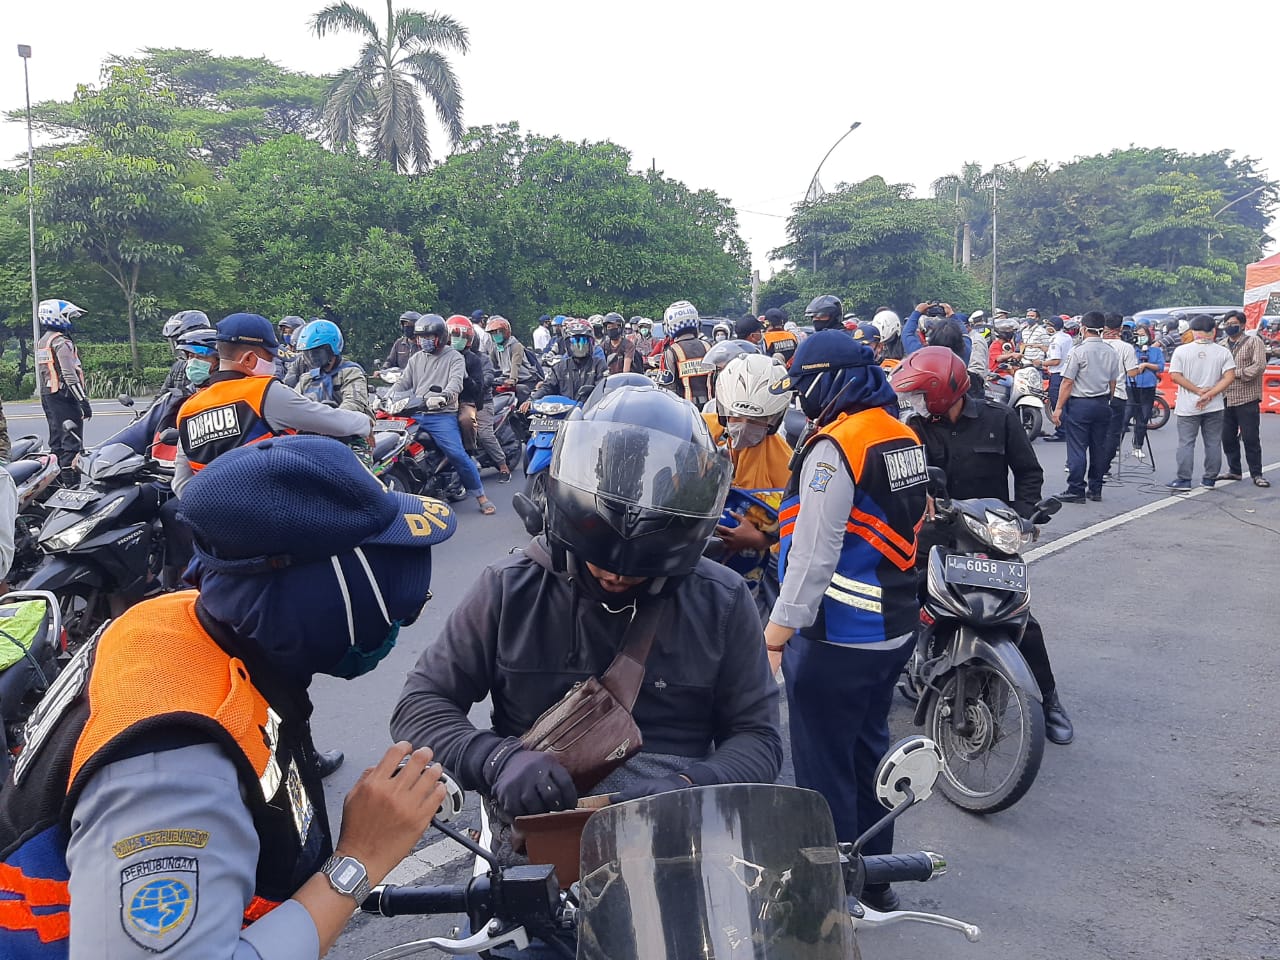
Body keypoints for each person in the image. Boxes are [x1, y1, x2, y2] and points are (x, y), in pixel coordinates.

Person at [0, 435, 455, 960]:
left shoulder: (174, 618)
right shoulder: (174, 777)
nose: (406, 615)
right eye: (403, 605)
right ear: (325, 599)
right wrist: (360, 858)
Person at [390, 383, 782, 883]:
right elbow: (420, 704)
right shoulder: (510, 588)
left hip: (676, 844)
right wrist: (496, 759)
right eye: (600, 564)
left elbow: (759, 738)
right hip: (535, 846)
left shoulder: (722, 600)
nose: (617, 577)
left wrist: (690, 782)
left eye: (640, 572)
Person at [763, 331, 928, 914]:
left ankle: (832, 890)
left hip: (838, 634)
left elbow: (813, 553)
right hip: (895, 626)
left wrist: (777, 632)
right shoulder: (900, 432)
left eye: (805, 384)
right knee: (869, 753)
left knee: (822, 766)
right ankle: (876, 876)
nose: (800, 398)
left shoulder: (836, 446)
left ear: (831, 380)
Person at [891, 347, 1073, 745]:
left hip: (989, 542)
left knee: (1021, 624)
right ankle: (903, 676)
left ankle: (1049, 699)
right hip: (933, 539)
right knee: (902, 604)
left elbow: (1028, 473)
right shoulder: (914, 427)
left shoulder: (1000, 418)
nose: (915, 404)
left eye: (922, 395)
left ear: (942, 391)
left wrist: (1022, 519)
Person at [173, 314, 374, 500]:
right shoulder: (264, 392)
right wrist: (366, 424)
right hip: (273, 514)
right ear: (250, 359)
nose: (273, 362)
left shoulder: (187, 409)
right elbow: (338, 422)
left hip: (217, 527)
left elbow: (181, 483)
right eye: (270, 357)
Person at [705, 353, 793, 620]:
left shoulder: (785, 463)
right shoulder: (699, 434)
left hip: (751, 580)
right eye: (735, 417)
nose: (744, 427)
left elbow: (793, 530)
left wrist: (758, 540)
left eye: (756, 421)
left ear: (774, 419)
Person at [392, 315, 497, 514]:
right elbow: (402, 384)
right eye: (421, 337)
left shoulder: (454, 357)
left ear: (440, 336)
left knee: (457, 454)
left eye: (428, 336)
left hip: (440, 415)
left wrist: (443, 396)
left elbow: (456, 383)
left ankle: (481, 496)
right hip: (415, 412)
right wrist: (386, 397)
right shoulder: (416, 359)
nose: (424, 341)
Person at [1051, 311, 1121, 503]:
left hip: (1081, 404)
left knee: (1077, 448)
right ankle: (1095, 488)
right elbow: (1113, 381)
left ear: (1083, 328)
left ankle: (1076, 489)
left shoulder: (1078, 351)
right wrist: (1108, 399)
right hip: (1102, 403)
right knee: (1098, 447)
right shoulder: (1111, 352)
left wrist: (1058, 408)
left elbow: (1067, 382)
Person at [1166, 314, 1236, 491]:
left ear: (1192, 330)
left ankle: (1184, 480)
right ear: (1213, 331)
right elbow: (1230, 377)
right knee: (1213, 442)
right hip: (1214, 405)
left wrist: (1198, 392)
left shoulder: (1182, 351)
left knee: (1186, 443)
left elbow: (1175, 375)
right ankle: (1209, 479)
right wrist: (1210, 393)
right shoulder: (1223, 351)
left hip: (1188, 405)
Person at [36, 299, 92, 485]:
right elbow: (69, 375)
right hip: (65, 397)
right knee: (71, 444)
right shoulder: (61, 342)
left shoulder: (43, 341)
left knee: (57, 442)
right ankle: (71, 487)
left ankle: (56, 484)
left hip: (48, 396)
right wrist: (83, 401)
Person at [450, 315, 511, 483]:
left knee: (484, 434)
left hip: (482, 402)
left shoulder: (481, 359)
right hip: (457, 402)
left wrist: (475, 383)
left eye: (463, 338)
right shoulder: (449, 357)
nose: (458, 341)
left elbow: (487, 378)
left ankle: (503, 465)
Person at [1218, 310, 1269, 487]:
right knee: (1227, 437)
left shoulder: (1254, 342)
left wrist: (1234, 374)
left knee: (1250, 437)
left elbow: (1259, 366)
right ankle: (1234, 470)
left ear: (1242, 324)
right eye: (1226, 323)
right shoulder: (1222, 344)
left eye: (1232, 323)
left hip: (1247, 397)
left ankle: (1257, 473)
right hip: (1225, 396)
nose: (1229, 326)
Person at [294, 320, 372, 417]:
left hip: (347, 427)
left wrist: (331, 418)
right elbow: (293, 405)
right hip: (312, 429)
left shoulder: (351, 373)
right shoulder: (307, 379)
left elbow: (354, 403)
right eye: (307, 354)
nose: (312, 358)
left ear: (331, 350)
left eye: (316, 353)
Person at [527, 318, 608, 411]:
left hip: (589, 413)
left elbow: (604, 389)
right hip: (562, 413)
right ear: (567, 345)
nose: (579, 346)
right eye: (574, 342)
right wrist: (531, 400)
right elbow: (547, 387)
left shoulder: (599, 364)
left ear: (591, 343)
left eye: (583, 342)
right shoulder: (559, 367)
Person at [1099, 315, 1140, 475]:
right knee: (1113, 434)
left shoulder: (1094, 345)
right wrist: (1140, 367)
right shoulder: (1125, 347)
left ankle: (1092, 465)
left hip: (1094, 394)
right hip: (1117, 394)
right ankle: (1103, 468)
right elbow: (1131, 373)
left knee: (1095, 433)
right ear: (1121, 329)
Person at [661, 300, 713, 406]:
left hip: (685, 408)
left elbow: (668, 386)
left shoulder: (672, 351)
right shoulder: (708, 346)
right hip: (711, 408)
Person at [160, 310, 213, 394]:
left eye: (183, 342)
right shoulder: (178, 367)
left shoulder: (218, 367)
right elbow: (161, 397)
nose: (180, 348)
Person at [1043, 316, 1075, 440]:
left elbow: (1056, 360)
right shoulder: (1066, 337)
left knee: (1058, 403)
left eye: (1048, 326)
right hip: (1067, 373)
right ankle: (1068, 430)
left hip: (1057, 375)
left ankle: (1061, 432)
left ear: (1052, 327)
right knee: (1066, 404)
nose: (1046, 328)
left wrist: (1040, 363)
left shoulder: (1055, 341)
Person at [485, 315, 531, 399]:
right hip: (505, 379)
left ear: (505, 332)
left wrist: (513, 379)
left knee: (521, 389)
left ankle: (521, 411)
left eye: (497, 332)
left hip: (523, 380)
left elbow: (515, 365)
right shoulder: (495, 348)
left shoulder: (516, 346)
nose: (495, 335)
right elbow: (491, 366)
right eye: (492, 333)